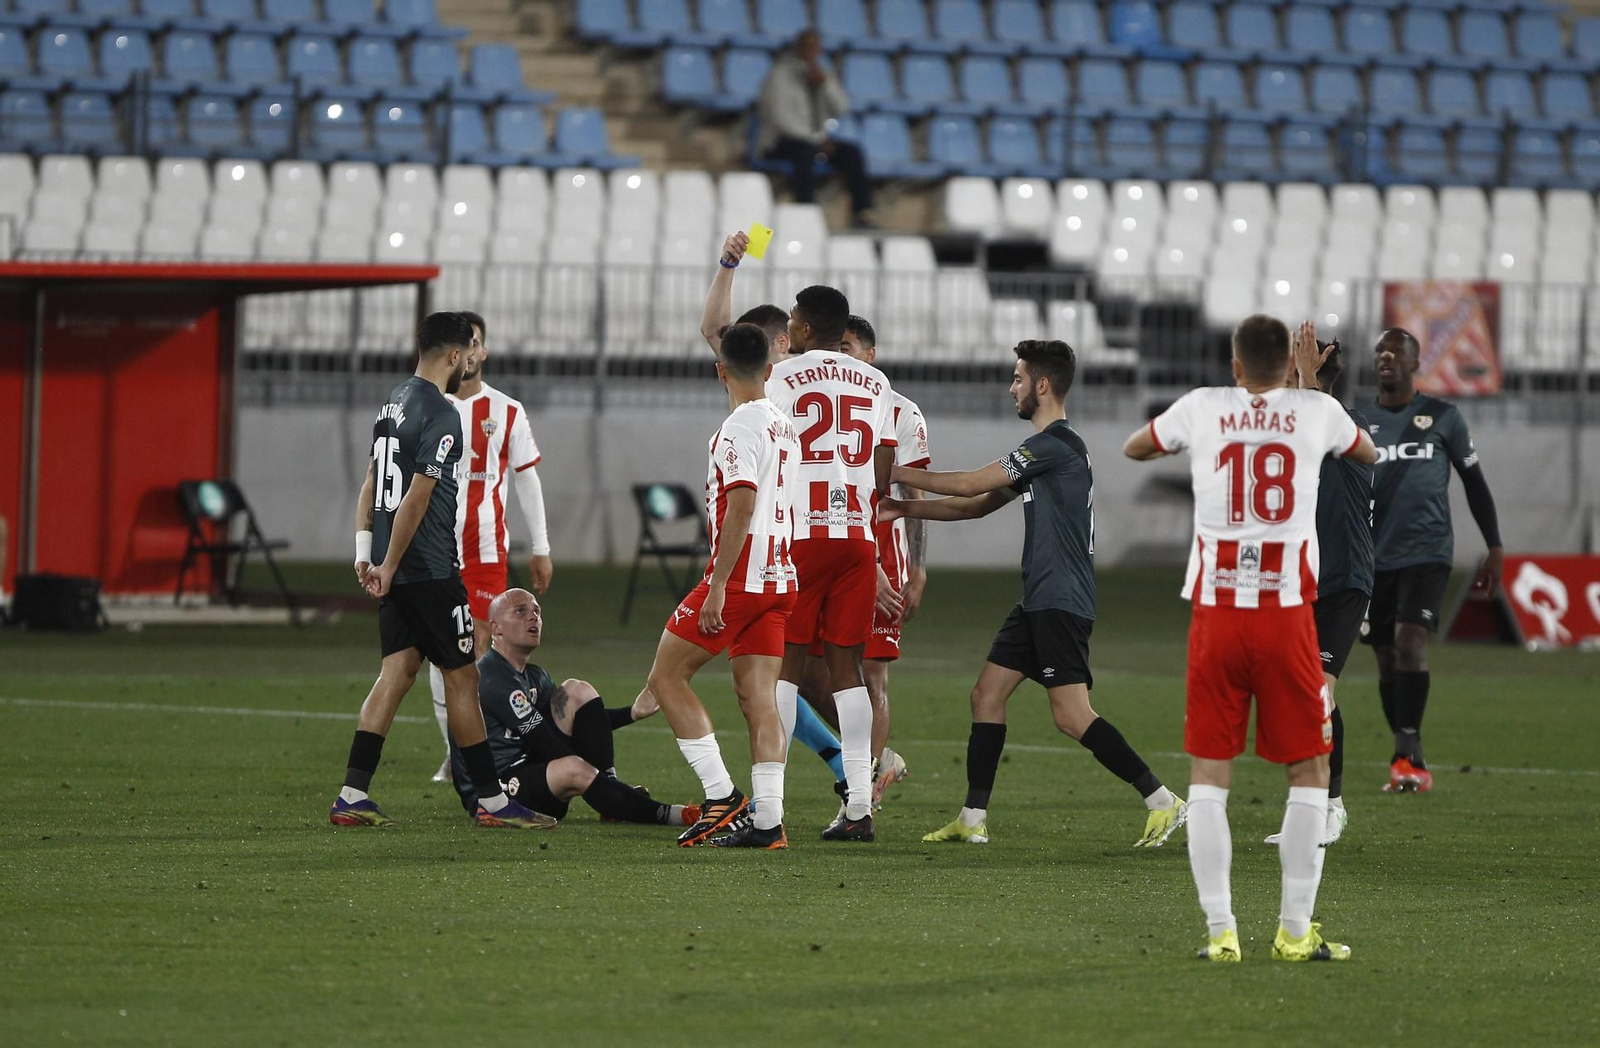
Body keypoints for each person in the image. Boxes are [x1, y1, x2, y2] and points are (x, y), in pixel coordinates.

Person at [1122, 316, 1378, 963]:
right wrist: (1304, 402)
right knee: (1309, 769)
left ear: (1236, 367)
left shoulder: (1204, 406)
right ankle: (1294, 932)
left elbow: (1135, 447)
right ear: (1285, 367)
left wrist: (1196, 438)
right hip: (1287, 612)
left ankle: (1221, 933)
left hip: (1218, 613)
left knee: (1210, 773)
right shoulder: (1316, 411)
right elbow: (1367, 452)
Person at [880, 340, 1185, 850]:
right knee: (987, 695)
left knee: (1070, 715)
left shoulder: (1053, 446)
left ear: (1042, 386)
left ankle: (1162, 800)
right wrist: (901, 508)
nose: (1012, 388)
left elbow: (972, 481)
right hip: (1040, 598)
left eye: (1018, 379)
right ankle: (972, 817)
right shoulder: (1051, 454)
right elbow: (976, 505)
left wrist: (890, 471)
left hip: (1060, 599)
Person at [332, 311, 550, 830]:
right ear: (454, 356)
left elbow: (370, 482)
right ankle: (492, 802)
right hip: (429, 569)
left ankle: (351, 794)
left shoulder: (393, 402)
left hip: (395, 569)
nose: (468, 363)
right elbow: (418, 497)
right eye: (466, 355)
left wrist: (366, 551)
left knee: (397, 673)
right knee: (463, 678)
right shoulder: (442, 413)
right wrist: (387, 563)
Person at [643, 322, 801, 849]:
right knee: (758, 698)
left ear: (720, 371)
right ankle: (768, 823)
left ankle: (720, 795)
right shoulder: (785, 424)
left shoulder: (737, 428)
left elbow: (740, 504)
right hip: (781, 575)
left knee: (667, 679)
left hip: (742, 578)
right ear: (771, 370)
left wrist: (717, 586)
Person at [767, 285, 898, 841]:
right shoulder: (877, 381)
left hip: (801, 534)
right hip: (856, 539)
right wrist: (868, 503)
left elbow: (768, 445)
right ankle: (861, 808)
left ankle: (767, 808)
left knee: (784, 669)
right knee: (849, 673)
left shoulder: (781, 376)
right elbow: (885, 457)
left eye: (793, 320)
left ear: (801, 329)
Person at [1363, 327, 1503, 793]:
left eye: (1396, 351)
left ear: (1415, 363)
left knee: (1409, 643)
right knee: (1386, 657)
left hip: (1427, 551)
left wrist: (1494, 546)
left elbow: (1474, 483)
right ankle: (1408, 747)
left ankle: (1407, 753)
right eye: (1381, 350)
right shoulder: (1358, 419)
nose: (1387, 357)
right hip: (1372, 555)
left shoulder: (1443, 417)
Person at [449, 588, 700, 830]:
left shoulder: (536, 676)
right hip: (502, 790)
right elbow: (545, 743)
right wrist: (599, 785)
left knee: (577, 691)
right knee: (574, 769)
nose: (533, 616)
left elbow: (583, 724)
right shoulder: (492, 677)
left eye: (537, 611)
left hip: (532, 770)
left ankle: (611, 795)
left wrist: (631, 713)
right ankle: (667, 814)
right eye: (520, 611)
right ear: (496, 627)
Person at [426, 310, 554, 783]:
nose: (471, 351)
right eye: (465, 343)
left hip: (483, 551)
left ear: (483, 350)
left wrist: (540, 545)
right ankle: (453, 748)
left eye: (477, 341)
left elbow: (527, 477)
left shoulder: (507, 410)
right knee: (443, 651)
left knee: (478, 645)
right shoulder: (427, 405)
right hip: (433, 548)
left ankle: (474, 749)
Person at [1265, 340, 1370, 848]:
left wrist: (1306, 379)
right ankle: (1311, 807)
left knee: (1314, 694)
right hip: (1301, 582)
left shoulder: (1343, 425)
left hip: (1344, 580)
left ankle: (1330, 807)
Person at [756, 29, 875, 227]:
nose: (812, 53)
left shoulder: (823, 74)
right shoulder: (779, 76)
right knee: (804, 152)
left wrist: (824, 85)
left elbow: (842, 107)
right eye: (807, 47)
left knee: (852, 152)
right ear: (797, 49)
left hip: (815, 141)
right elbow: (781, 119)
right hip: (780, 142)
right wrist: (815, 140)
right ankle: (805, 212)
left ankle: (863, 213)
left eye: (816, 48)